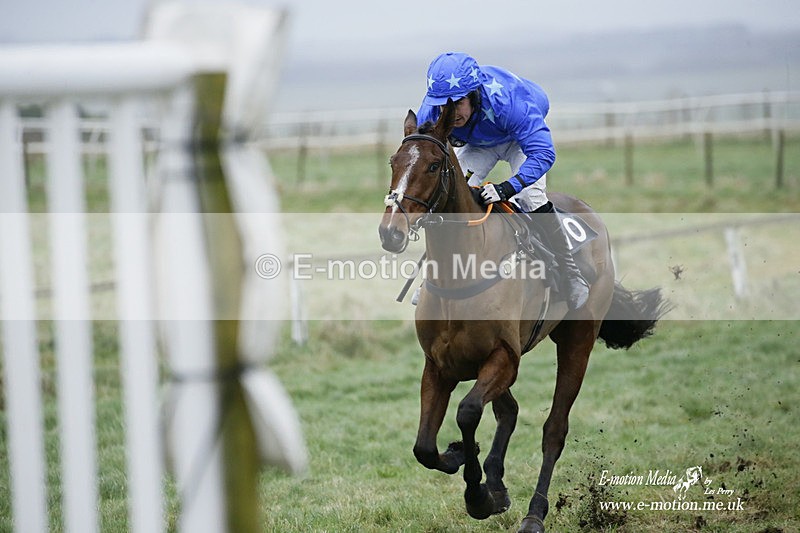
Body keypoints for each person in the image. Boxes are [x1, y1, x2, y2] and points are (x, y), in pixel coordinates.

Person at [416, 51, 589, 310]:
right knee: (449, 194)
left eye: (457, 103)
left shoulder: (509, 103)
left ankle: (570, 272)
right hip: (480, 145)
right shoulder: (430, 110)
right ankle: (432, 275)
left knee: (530, 197)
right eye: (443, 105)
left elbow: (544, 153)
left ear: (474, 95)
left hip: (519, 141)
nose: (449, 113)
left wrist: (507, 188)